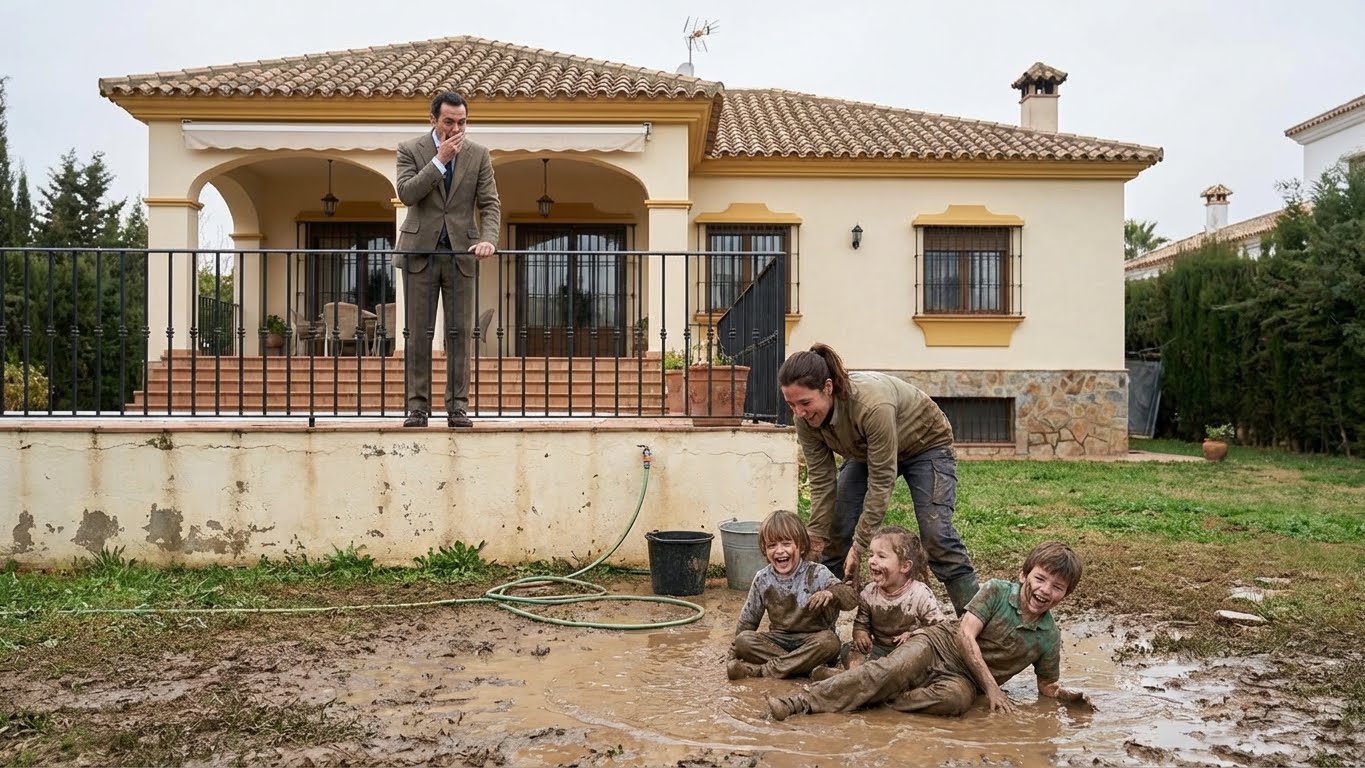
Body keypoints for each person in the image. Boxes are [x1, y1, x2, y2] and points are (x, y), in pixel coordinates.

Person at [768, 540, 1093, 720]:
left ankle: (857, 691)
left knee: (955, 703)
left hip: (962, 681)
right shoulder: (996, 590)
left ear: (1066, 594)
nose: (1045, 590)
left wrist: (1068, 696)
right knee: (888, 671)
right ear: (1024, 575)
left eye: (1057, 587)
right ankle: (800, 703)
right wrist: (993, 688)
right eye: (1040, 579)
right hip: (939, 645)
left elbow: (1047, 686)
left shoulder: (1049, 637)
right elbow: (964, 635)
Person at [778, 343, 979, 615]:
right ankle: (820, 626)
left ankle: (975, 623)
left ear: (827, 388)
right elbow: (822, 481)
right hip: (864, 451)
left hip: (925, 445)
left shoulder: (872, 405)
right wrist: (815, 540)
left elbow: (881, 481)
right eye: (792, 404)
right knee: (834, 532)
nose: (799, 412)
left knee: (936, 534)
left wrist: (860, 546)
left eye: (805, 403)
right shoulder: (804, 420)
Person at [395, 91, 501, 428]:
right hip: (419, 254)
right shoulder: (410, 150)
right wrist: (439, 160)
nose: (456, 128)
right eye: (449, 122)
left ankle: (457, 407)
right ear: (433, 120)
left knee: (459, 333)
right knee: (419, 334)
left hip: (461, 254)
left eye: (462, 122)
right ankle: (417, 408)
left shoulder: (479, 155)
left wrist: (488, 239)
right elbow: (407, 193)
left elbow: (490, 204)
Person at [727, 510, 858, 681]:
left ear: (801, 546)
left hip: (813, 640)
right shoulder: (763, 578)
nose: (779, 551)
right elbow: (748, 621)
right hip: (778, 642)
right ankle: (804, 669)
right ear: (764, 550)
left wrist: (831, 593)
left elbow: (851, 600)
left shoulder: (817, 572)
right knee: (744, 640)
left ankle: (762, 671)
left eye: (786, 544)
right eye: (772, 546)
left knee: (830, 642)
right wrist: (734, 651)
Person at [811, 525, 944, 682]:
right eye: (871, 554)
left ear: (905, 566)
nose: (872, 561)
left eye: (881, 556)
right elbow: (861, 623)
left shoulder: (920, 594)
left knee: (926, 662)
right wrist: (861, 635)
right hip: (880, 650)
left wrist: (913, 635)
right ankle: (859, 675)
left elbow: (939, 628)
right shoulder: (869, 592)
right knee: (850, 648)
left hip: (908, 653)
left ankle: (852, 679)